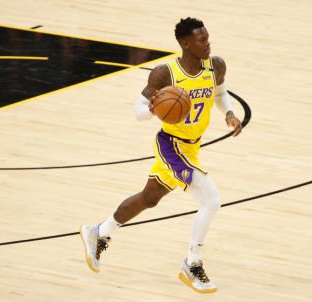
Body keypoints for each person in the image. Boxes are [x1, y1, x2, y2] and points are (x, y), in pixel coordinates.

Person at [80, 17, 242, 294]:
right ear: (185, 43)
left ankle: (99, 232)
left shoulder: (216, 66)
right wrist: (155, 110)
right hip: (171, 146)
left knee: (149, 199)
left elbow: (220, 91)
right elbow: (138, 110)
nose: (207, 43)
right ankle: (192, 263)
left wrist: (227, 112)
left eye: (207, 37)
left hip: (192, 147)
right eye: (201, 40)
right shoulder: (164, 74)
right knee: (211, 199)